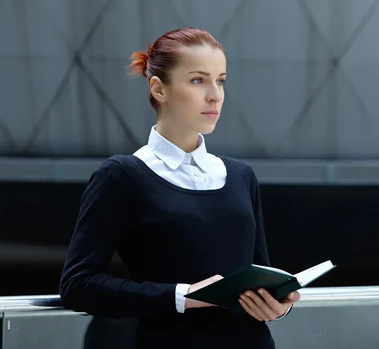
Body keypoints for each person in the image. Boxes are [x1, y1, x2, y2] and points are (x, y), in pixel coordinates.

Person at [59, 27, 300, 349]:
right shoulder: (122, 176)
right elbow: (79, 284)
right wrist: (182, 296)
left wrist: (277, 305)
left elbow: (259, 274)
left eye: (221, 80)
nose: (215, 94)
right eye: (198, 80)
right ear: (159, 89)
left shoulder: (241, 175)